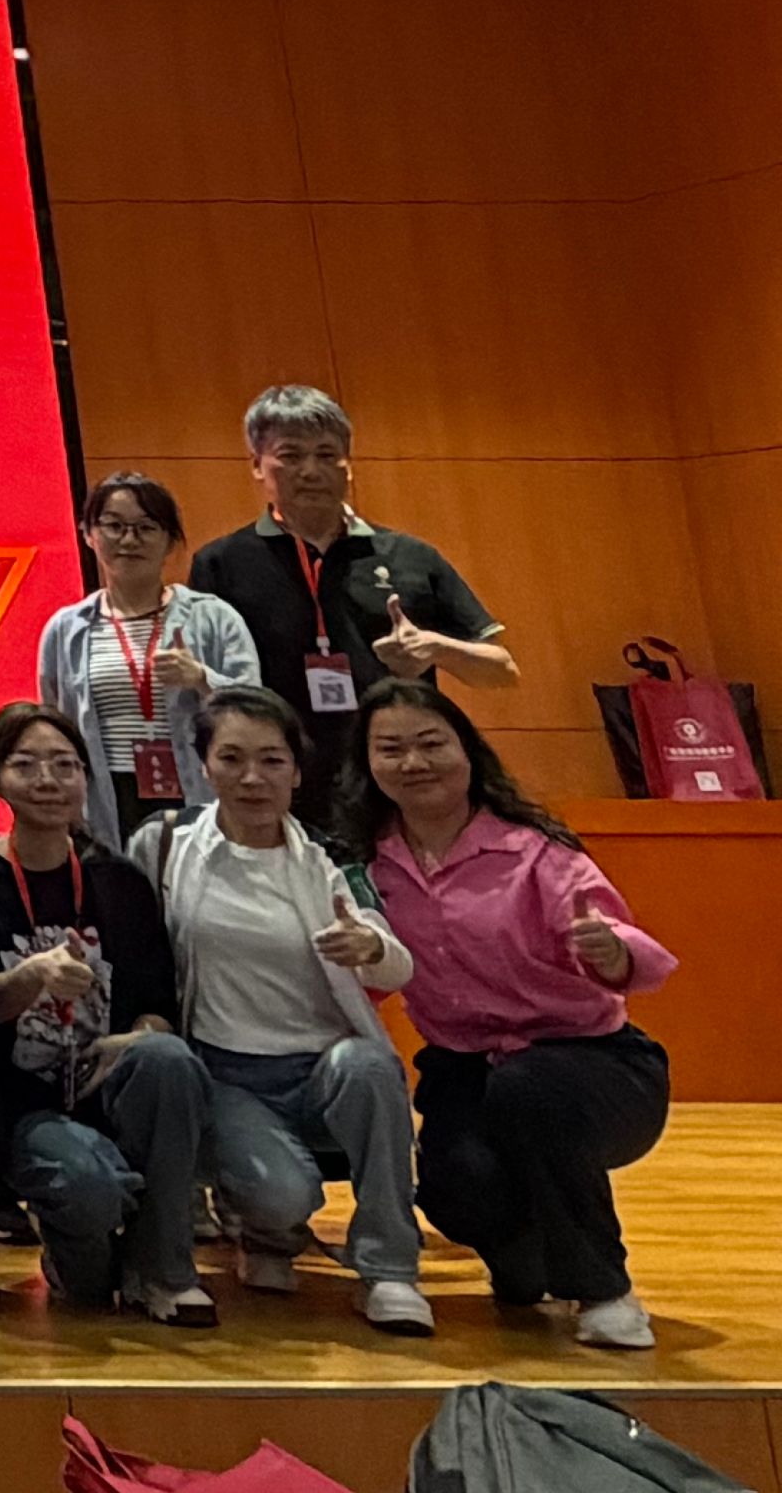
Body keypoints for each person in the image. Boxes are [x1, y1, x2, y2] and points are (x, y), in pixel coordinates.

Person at [352, 679, 677, 1350]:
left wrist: (610, 951)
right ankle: (527, 1260)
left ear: (467, 751)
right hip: (463, 1067)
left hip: (590, 1063)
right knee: (451, 1185)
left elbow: (622, 946)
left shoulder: (535, 851)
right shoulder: (366, 865)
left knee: (529, 1090)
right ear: (367, 763)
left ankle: (604, 1291)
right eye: (391, 748)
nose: (413, 762)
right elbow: (366, 976)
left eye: (431, 743)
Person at [140, 685, 430, 1334]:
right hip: (225, 1074)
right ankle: (268, 1230)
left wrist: (370, 947)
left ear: (297, 772)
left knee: (372, 1067)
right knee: (283, 1195)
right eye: (232, 758)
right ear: (204, 766)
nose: (253, 778)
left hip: (322, 1071)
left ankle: (389, 1270)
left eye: (272, 760)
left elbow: (397, 965)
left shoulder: (328, 859)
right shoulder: (165, 846)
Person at [0, 701, 214, 1325]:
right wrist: (31, 976)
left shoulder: (119, 880)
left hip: (105, 1083)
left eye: (65, 765)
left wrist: (135, 1039)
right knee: (90, 1201)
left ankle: (165, 1271)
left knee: (167, 1058)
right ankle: (79, 1259)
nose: (48, 780)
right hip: (18, 1106)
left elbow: (157, 1006)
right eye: (26, 765)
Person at [186, 386, 514, 754]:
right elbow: (202, 687)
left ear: (349, 465)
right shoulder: (221, 563)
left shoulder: (410, 556)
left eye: (327, 455)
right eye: (290, 455)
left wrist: (437, 648)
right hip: (274, 768)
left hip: (394, 765)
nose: (311, 471)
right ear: (256, 466)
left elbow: (501, 670)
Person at [35, 475, 261, 844]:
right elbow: (54, 726)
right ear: (89, 534)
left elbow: (258, 710)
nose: (129, 540)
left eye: (146, 527)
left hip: (199, 784)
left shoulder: (213, 617)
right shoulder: (66, 629)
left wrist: (202, 677)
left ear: (170, 540)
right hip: (107, 795)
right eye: (114, 526)